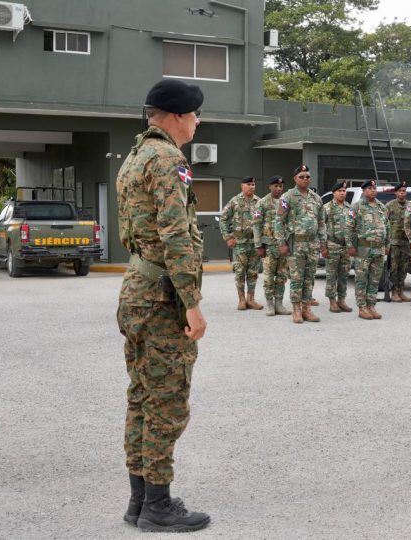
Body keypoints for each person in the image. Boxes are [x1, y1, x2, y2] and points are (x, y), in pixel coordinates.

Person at [116, 79, 210, 531]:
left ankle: (139, 501)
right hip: (160, 297)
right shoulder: (169, 159)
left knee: (141, 396)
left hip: (136, 289)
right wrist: (191, 303)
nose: (196, 122)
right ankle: (158, 505)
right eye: (193, 115)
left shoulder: (134, 157)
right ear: (175, 116)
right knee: (167, 401)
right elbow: (175, 235)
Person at [274, 165, 326, 323]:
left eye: (307, 176)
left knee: (309, 278)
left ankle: (306, 309)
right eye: (302, 176)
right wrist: (281, 242)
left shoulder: (316, 198)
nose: (305, 179)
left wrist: (323, 241)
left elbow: (322, 222)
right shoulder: (287, 197)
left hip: (312, 244)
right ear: (295, 179)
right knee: (297, 278)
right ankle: (296, 310)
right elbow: (279, 221)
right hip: (296, 244)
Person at [348, 179, 389, 320]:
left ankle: (371, 305)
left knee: (375, 280)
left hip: (379, 249)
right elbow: (349, 228)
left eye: (374, 188)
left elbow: (387, 227)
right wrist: (350, 246)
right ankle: (362, 307)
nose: (373, 190)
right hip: (363, 249)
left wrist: (387, 245)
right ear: (364, 190)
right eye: (370, 188)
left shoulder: (381, 207)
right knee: (361, 279)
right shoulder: (356, 206)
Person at [220, 176, 263, 311]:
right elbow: (223, 219)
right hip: (239, 243)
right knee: (239, 272)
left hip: (254, 243)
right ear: (242, 186)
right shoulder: (235, 201)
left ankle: (251, 299)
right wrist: (228, 237)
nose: (252, 186)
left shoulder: (259, 202)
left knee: (253, 272)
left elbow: (265, 221)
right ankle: (242, 300)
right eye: (249, 184)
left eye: (253, 184)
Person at [252, 175, 292, 317]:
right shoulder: (262, 203)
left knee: (281, 277)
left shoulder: (285, 203)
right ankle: (269, 304)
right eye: (275, 186)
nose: (278, 188)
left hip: (283, 246)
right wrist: (258, 246)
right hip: (268, 246)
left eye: (280, 186)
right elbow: (256, 225)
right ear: (270, 186)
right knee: (269, 277)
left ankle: (279, 304)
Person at [323, 181, 353, 313]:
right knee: (331, 275)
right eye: (340, 191)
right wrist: (323, 247)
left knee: (344, 275)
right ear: (334, 193)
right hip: (332, 245)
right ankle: (332, 301)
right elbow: (320, 227)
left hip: (346, 247)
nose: (342, 193)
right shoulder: (327, 208)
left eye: (344, 191)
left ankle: (342, 300)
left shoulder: (349, 208)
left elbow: (354, 226)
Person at [386, 181, 411, 302]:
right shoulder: (390, 205)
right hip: (394, 241)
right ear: (396, 192)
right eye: (400, 191)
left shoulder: (410, 205)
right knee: (394, 268)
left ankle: (401, 290)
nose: (402, 193)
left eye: (404, 191)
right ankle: (394, 292)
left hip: (406, 241)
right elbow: (385, 224)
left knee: (404, 267)